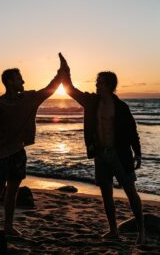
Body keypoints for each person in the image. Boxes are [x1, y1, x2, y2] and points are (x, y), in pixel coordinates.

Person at [59, 53, 145, 244]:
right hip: (100, 154)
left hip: (120, 155)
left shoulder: (121, 107)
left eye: (99, 82)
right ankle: (113, 230)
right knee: (106, 194)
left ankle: (141, 231)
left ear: (108, 85)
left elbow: (132, 131)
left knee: (131, 191)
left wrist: (137, 152)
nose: (96, 85)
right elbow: (71, 91)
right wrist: (66, 71)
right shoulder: (92, 102)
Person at [0, 60, 62, 235]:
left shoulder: (28, 98)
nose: (23, 82)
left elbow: (49, 90)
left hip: (18, 152)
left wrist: (61, 73)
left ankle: (8, 226)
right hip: (1, 154)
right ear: (9, 82)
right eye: (19, 79)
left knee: (12, 192)